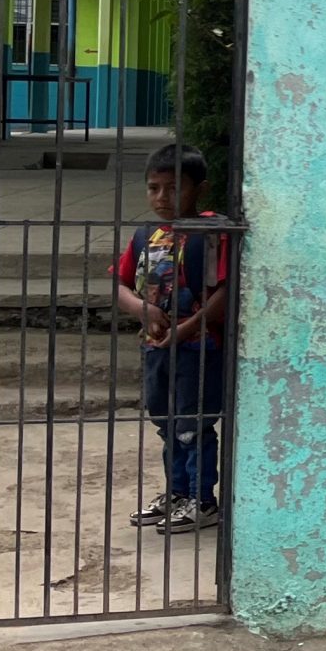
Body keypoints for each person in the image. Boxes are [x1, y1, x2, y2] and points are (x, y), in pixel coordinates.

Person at [111, 142, 232, 536]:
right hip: (156, 345)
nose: (162, 197)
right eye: (153, 188)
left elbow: (226, 290)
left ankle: (203, 499)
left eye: (174, 188)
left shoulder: (212, 233)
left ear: (200, 188)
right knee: (165, 422)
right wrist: (141, 310)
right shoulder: (146, 235)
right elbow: (121, 285)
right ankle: (177, 492)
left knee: (192, 424)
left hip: (199, 348)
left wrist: (190, 326)